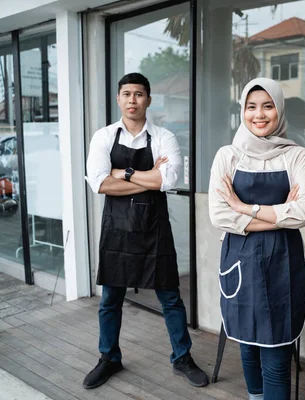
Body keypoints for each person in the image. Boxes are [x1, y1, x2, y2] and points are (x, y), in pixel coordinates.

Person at [84, 72, 208, 389]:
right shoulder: (103, 137)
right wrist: (145, 176)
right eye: (126, 94)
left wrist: (123, 173)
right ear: (118, 99)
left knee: (170, 298)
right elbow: (99, 183)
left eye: (139, 94)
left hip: (154, 229)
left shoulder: (165, 137)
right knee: (110, 299)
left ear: (148, 100)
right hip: (118, 229)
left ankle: (182, 358)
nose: (132, 100)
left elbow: (167, 181)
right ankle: (108, 357)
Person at [208, 78, 305, 400]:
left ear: (279, 110)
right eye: (251, 106)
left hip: (283, 260)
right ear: (243, 111)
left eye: (268, 106)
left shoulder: (296, 156)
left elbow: (303, 214)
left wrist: (245, 208)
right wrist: (278, 215)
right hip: (239, 261)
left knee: (277, 356)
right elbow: (219, 217)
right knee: (247, 343)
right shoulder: (227, 156)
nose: (259, 114)